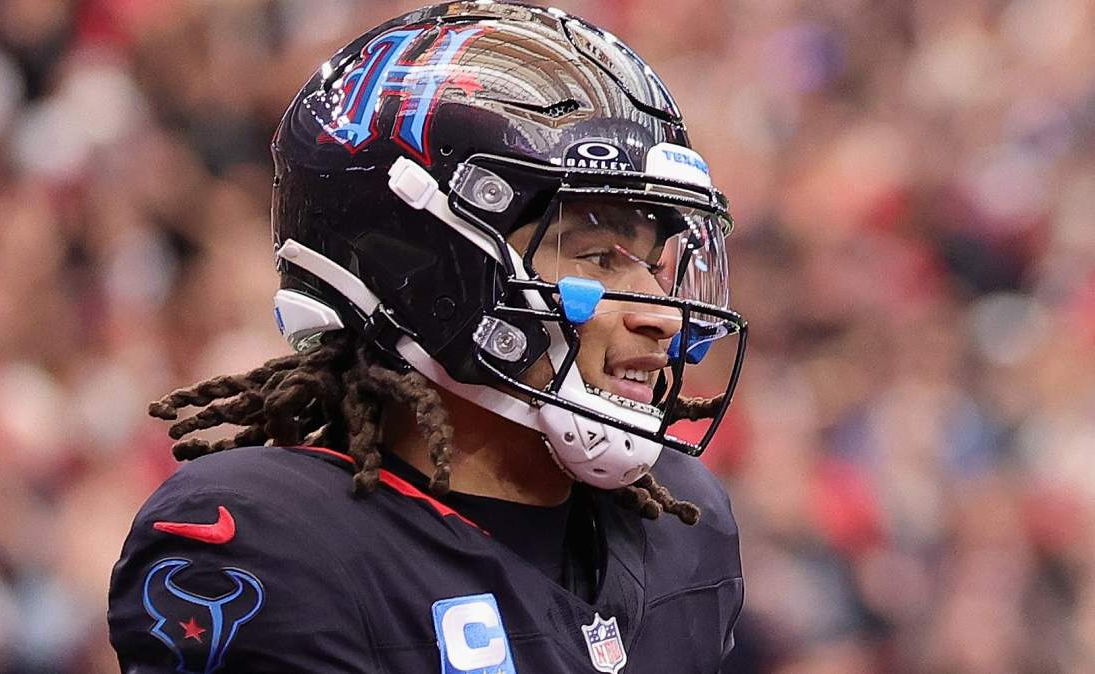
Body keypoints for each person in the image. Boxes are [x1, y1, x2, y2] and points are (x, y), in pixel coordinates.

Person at [108, 2, 749, 672]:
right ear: (429, 269)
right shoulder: (275, 545)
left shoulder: (683, 528)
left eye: (653, 265)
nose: (661, 314)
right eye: (596, 257)